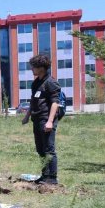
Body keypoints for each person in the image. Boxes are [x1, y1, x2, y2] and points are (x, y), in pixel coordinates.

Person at [22, 54, 61, 185]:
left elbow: (55, 103)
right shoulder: (36, 83)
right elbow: (34, 101)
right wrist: (27, 116)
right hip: (36, 119)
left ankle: (52, 178)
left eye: (33, 67)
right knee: (40, 149)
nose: (31, 69)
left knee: (49, 149)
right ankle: (45, 176)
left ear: (41, 68)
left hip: (46, 119)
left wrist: (50, 121)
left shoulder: (51, 82)